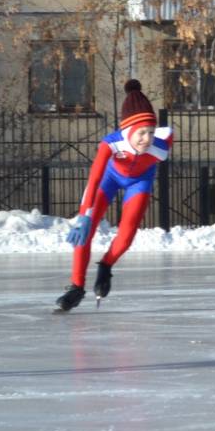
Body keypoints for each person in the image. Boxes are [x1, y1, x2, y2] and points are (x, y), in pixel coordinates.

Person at [55, 80, 174, 311]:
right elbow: (95, 178)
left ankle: (106, 266)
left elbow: (167, 133)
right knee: (85, 233)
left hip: (140, 182)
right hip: (109, 179)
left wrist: (161, 132)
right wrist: (84, 215)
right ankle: (76, 287)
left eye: (150, 132)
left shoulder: (160, 148)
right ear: (127, 131)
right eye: (141, 133)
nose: (146, 139)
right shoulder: (111, 144)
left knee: (127, 233)